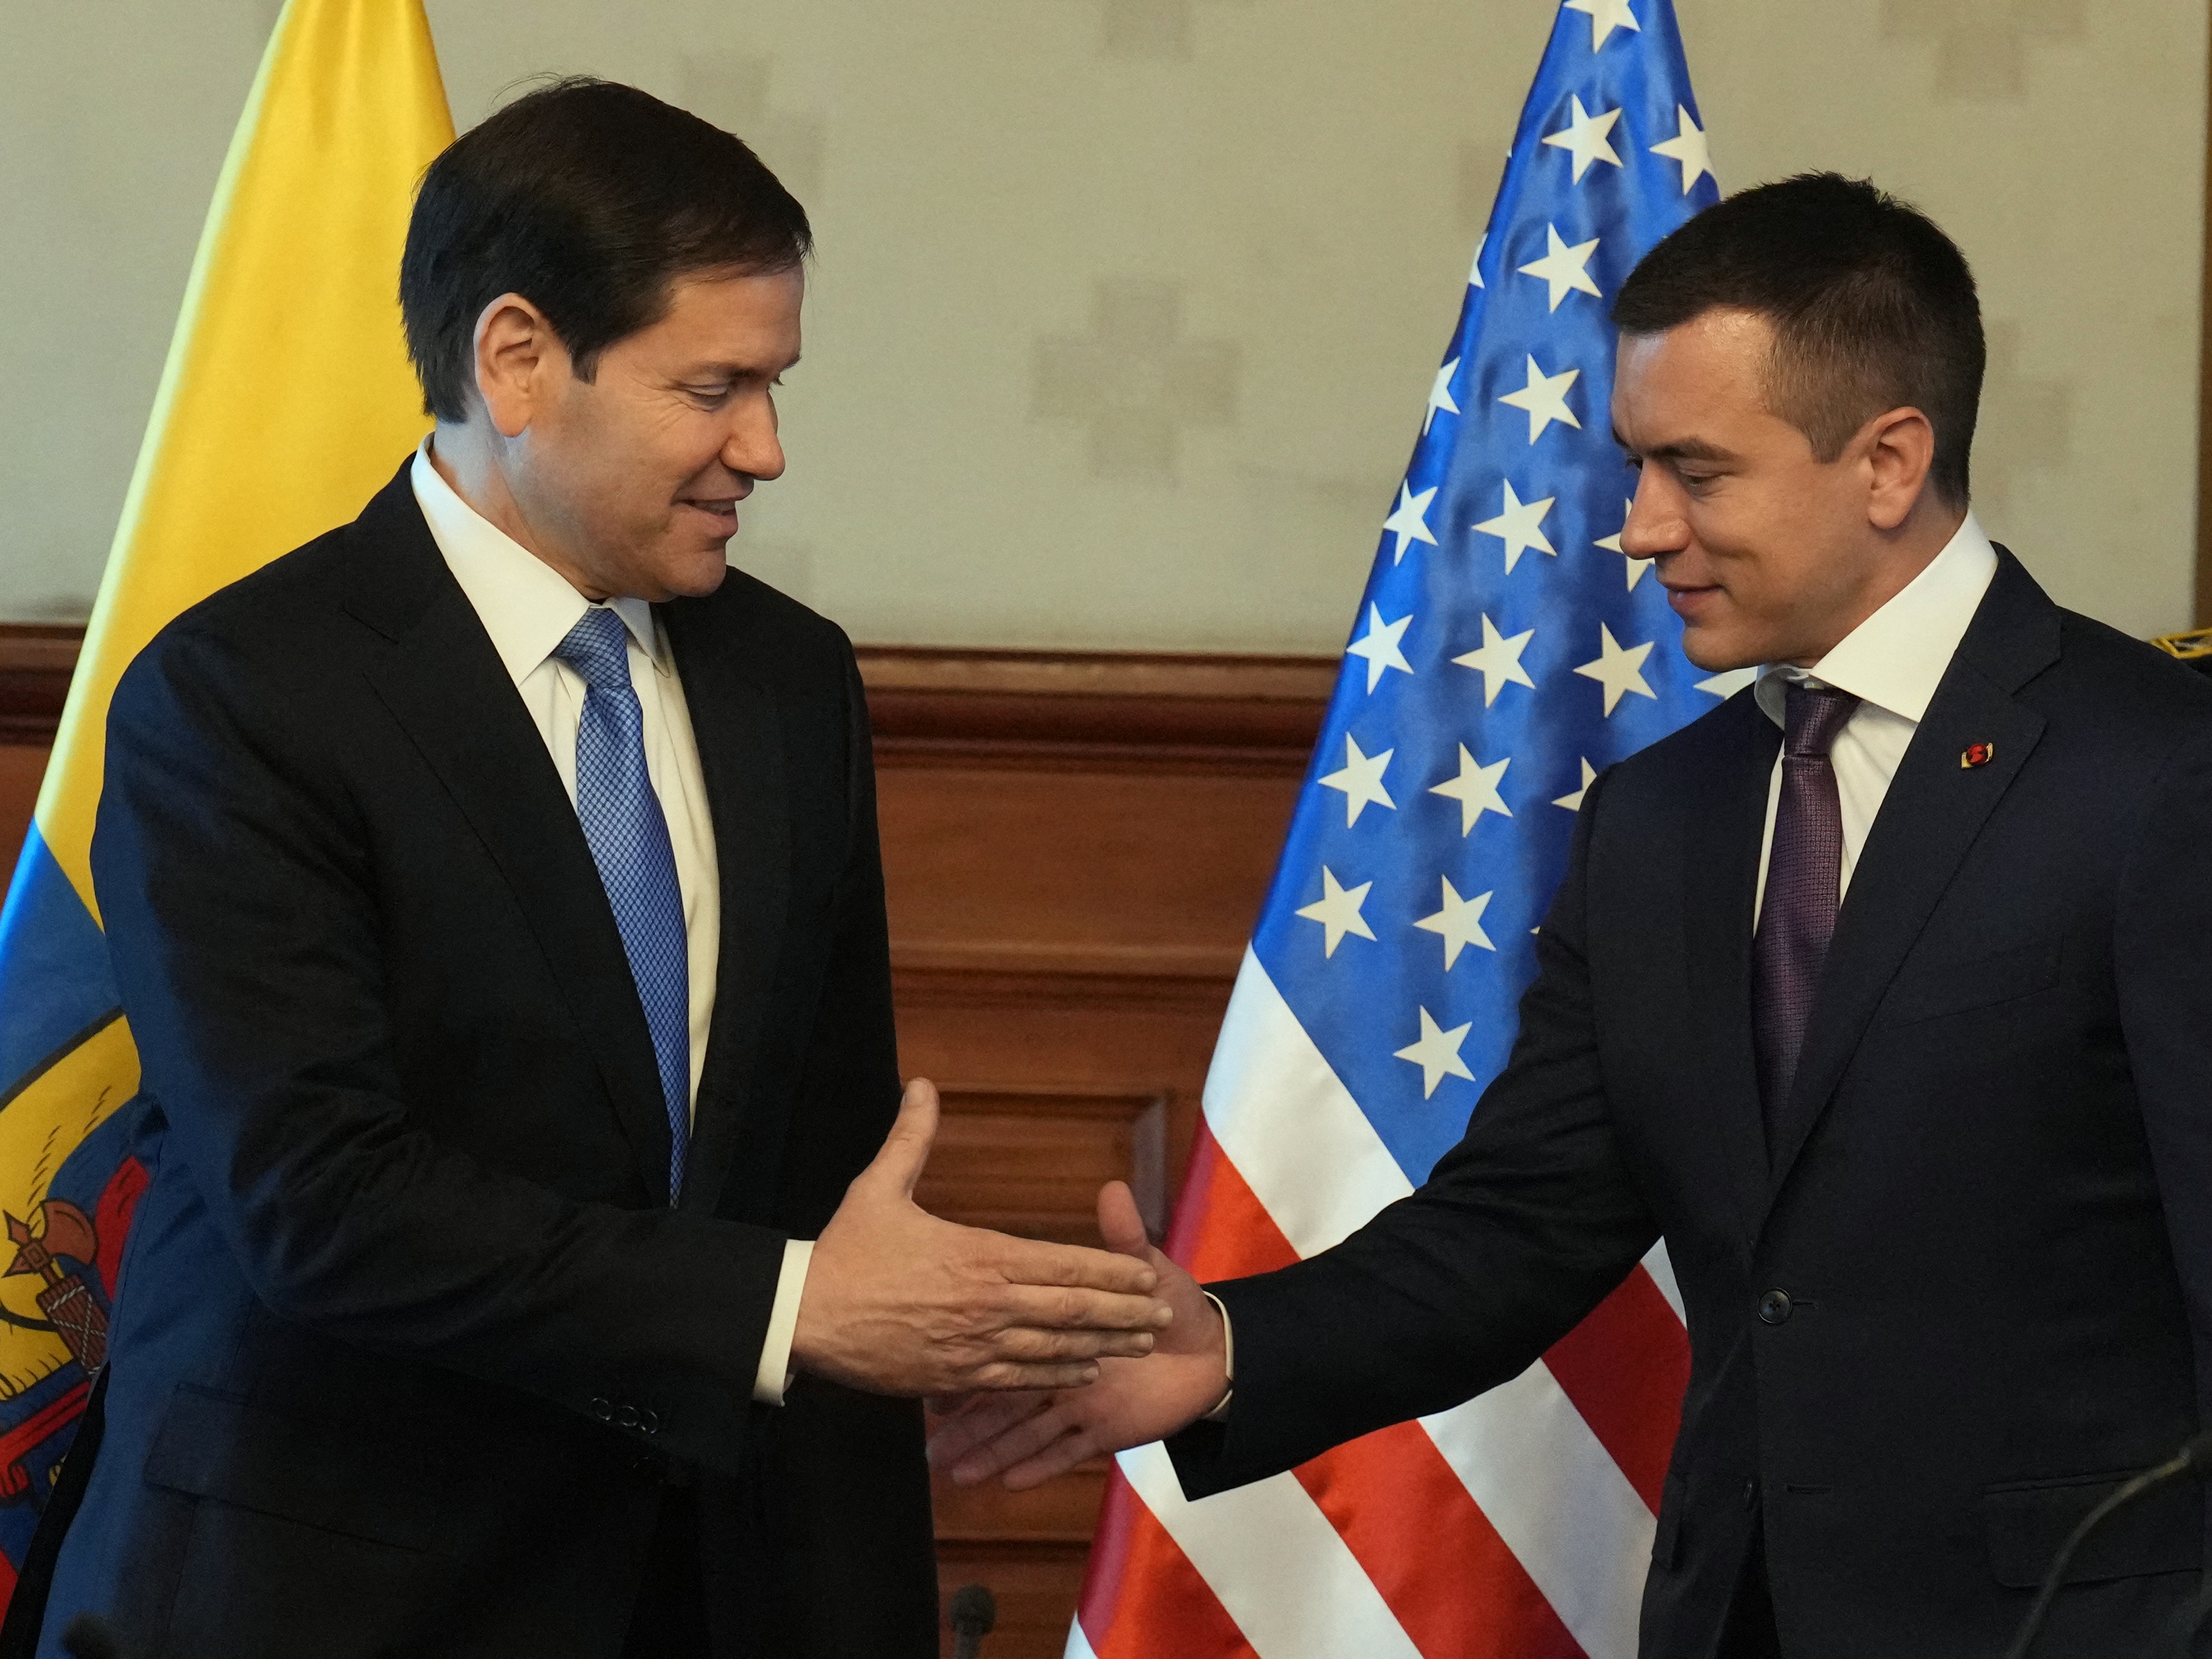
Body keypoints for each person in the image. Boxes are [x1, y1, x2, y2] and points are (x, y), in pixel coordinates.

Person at [930, 173, 2212, 1658]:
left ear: (1886, 460)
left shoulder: (2155, 773)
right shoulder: (1663, 817)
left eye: (1695, 469)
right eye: (1634, 464)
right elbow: (1520, 1226)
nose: (1639, 527)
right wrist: (1222, 1346)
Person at [14, 79, 1171, 1659]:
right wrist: (785, 1308)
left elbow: (815, 1189)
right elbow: (319, 1198)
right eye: (714, 387)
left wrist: (939, 1331)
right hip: (327, 1597)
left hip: (703, 1595)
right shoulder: (242, 697)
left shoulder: (788, 681)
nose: (765, 447)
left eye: (774, 383)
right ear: (516, 362)